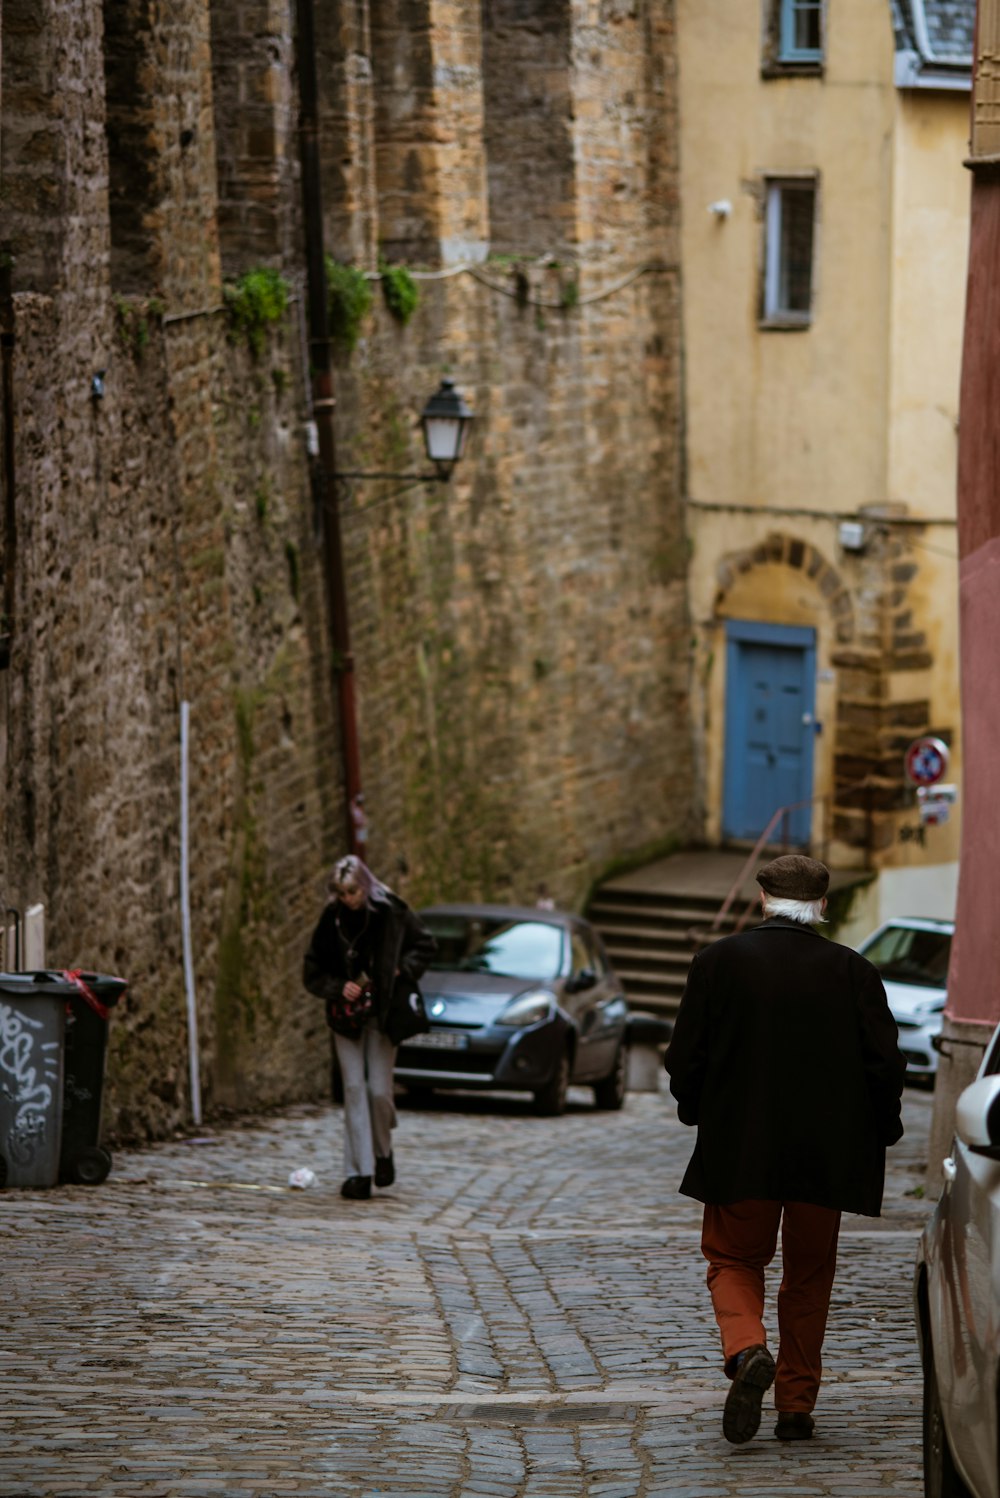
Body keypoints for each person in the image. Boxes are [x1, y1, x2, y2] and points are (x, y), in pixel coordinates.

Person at [663, 854, 906, 1446]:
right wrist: (884, 1127)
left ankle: (747, 1348)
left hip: (740, 1148)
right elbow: (885, 1064)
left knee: (734, 1260)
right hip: (826, 1159)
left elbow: (684, 1057)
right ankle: (796, 1405)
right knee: (809, 1277)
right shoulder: (854, 972)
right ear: (822, 906)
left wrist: (696, 1110)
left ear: (763, 900)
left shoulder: (717, 962)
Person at [303, 854, 436, 1201]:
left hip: (382, 1010)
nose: (348, 899)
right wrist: (336, 987)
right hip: (345, 1017)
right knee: (353, 1088)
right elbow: (312, 969)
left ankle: (383, 1152)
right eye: (341, 893)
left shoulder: (391, 911)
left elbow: (425, 945)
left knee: (378, 1090)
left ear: (365, 885)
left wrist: (399, 970)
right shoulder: (331, 919)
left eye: (352, 891)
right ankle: (357, 1173)